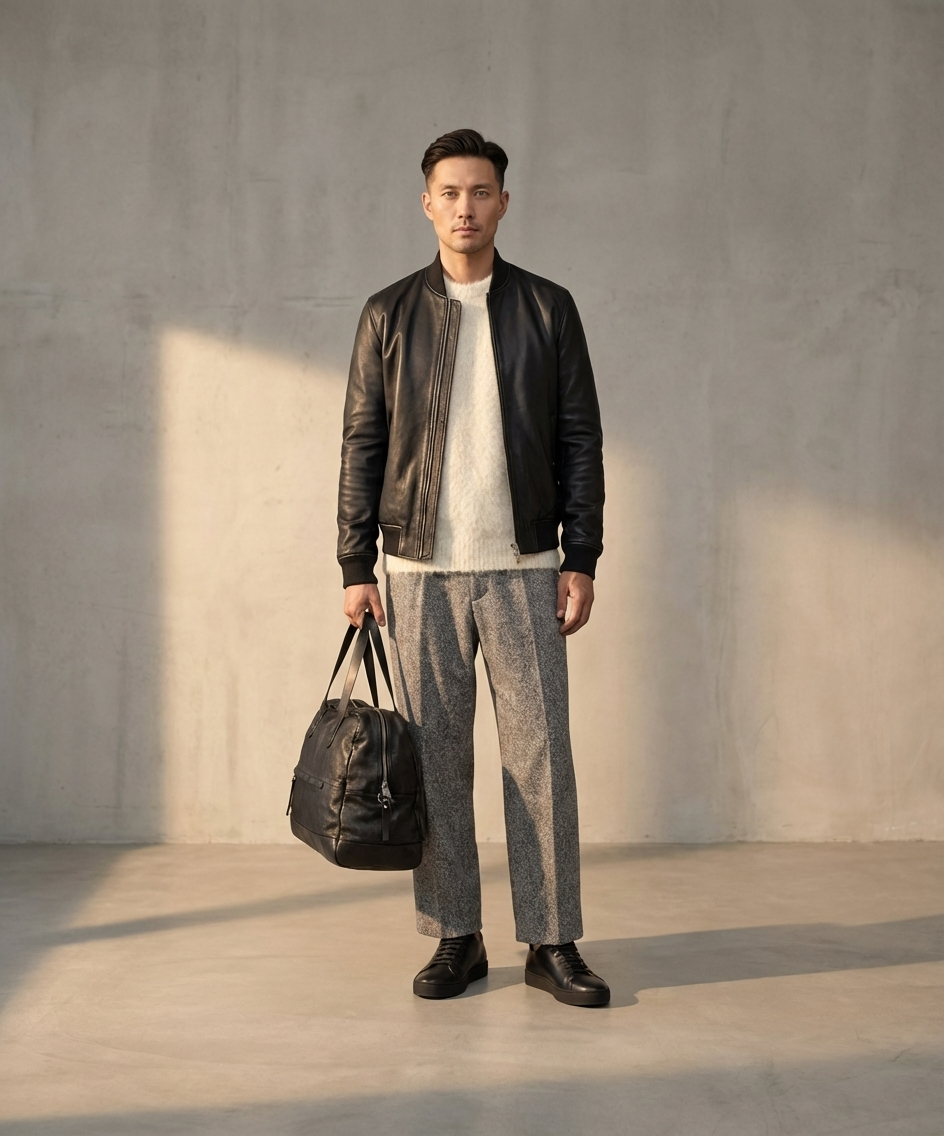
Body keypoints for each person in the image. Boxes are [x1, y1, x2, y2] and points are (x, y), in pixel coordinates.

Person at [337, 128, 608, 1007]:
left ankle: (553, 939)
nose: (465, 206)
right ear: (427, 204)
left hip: (525, 564)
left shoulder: (546, 308)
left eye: (481, 191)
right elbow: (362, 443)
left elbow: (579, 439)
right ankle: (457, 934)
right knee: (435, 763)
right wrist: (354, 562)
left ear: (504, 202)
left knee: (541, 761)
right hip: (416, 571)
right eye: (449, 192)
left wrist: (582, 553)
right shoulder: (389, 314)